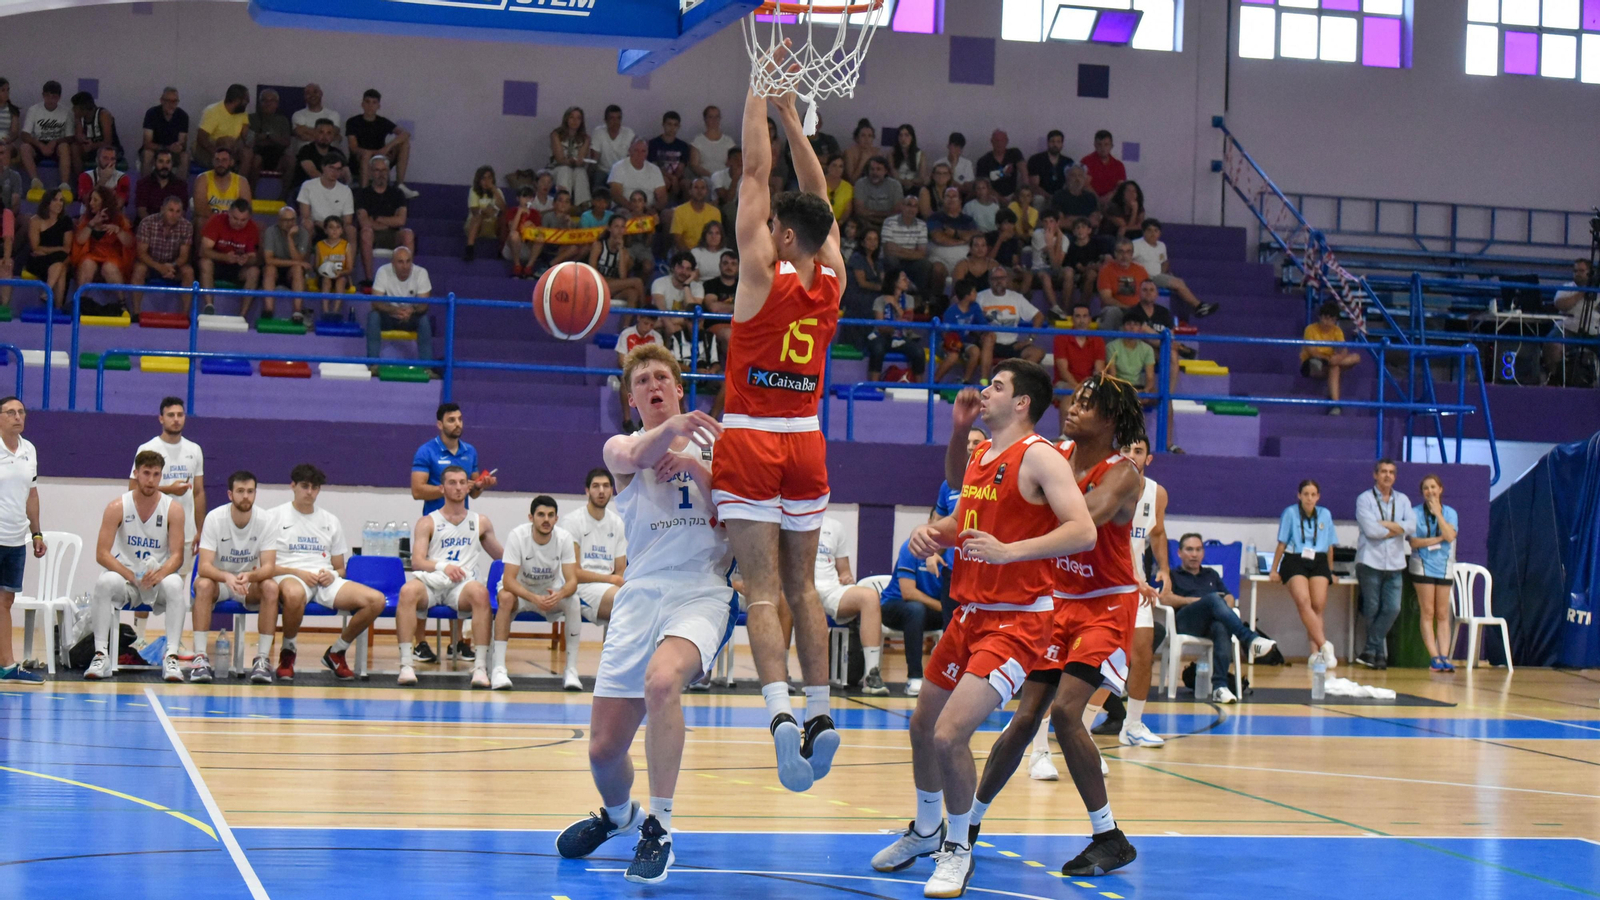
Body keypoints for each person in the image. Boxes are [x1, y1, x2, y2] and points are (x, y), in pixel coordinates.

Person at [872, 366, 1099, 893]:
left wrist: (1011, 552)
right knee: (921, 728)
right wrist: (936, 533)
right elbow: (965, 516)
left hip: (1019, 620)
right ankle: (928, 830)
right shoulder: (981, 455)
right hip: (969, 614)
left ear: (1022, 403)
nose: (986, 390)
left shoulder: (1041, 455)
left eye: (997, 386)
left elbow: (1083, 529)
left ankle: (957, 848)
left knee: (950, 735)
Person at [555, 343, 732, 885]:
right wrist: (672, 430)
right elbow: (634, 460)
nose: (653, 385)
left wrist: (699, 470)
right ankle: (619, 816)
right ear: (632, 400)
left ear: (679, 387)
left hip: (700, 591)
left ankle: (660, 826)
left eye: (662, 377)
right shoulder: (621, 447)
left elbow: (736, 521)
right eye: (642, 381)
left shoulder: (722, 448)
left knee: (662, 683)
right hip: (640, 595)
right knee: (604, 751)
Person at [712, 83, 845, 793]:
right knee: (806, 586)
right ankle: (822, 712)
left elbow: (754, 177)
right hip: (806, 439)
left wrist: (756, 99)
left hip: (752, 439)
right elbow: (814, 195)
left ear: (781, 236)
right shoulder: (831, 282)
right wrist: (797, 123)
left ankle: (781, 716)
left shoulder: (760, 274)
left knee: (761, 591)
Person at [261, 464, 386, 680]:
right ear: (293, 486)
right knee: (293, 594)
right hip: (290, 575)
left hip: (324, 579)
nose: (310, 492)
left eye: (314, 487)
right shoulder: (274, 517)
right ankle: (288, 652)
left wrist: (334, 575)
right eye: (305, 486)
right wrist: (298, 573)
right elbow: (267, 565)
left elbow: (340, 567)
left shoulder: (330, 520)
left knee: (376, 600)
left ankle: (337, 651)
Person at [85, 450, 187, 681]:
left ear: (161, 476)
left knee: (175, 583)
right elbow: (102, 553)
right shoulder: (117, 506)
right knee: (104, 582)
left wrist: (159, 574)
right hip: (127, 578)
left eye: (156, 474)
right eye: (146, 473)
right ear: (136, 473)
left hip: (156, 579)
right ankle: (101, 654)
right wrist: (130, 575)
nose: (151, 480)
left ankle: (171, 657)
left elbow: (177, 555)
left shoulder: (173, 509)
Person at [398, 467, 501, 688]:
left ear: (468, 486)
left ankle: (480, 667)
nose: (458, 487)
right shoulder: (428, 521)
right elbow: (417, 561)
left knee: (480, 593)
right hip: (433, 581)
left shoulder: (480, 521)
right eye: (452, 482)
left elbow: (501, 557)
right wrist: (444, 566)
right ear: (442, 488)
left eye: (463, 482)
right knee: (407, 591)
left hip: (461, 585)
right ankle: (406, 664)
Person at [410, 403, 496, 659]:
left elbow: (472, 491)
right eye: (451, 420)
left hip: (462, 523)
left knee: (461, 573)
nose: (457, 424)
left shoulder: (470, 451)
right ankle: (421, 642)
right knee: (427, 579)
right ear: (440, 424)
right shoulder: (426, 451)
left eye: (459, 419)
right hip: (435, 523)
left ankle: (457, 642)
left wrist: (480, 485)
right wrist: (447, 488)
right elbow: (417, 490)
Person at [192, 471, 281, 684]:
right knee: (203, 585)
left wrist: (250, 575)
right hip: (220, 582)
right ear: (230, 494)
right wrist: (226, 577)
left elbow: (269, 567)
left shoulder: (266, 520)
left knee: (270, 587)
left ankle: (262, 660)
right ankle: (200, 658)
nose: (246, 497)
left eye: (250, 491)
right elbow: (204, 567)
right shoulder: (215, 518)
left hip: (248, 584)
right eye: (240, 491)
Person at [1167, 533, 1278, 702]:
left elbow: (1229, 597)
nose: (1194, 554)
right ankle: (1248, 638)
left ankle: (1220, 687)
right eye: (1189, 549)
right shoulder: (1172, 575)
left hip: (1210, 622)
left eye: (1198, 549)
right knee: (1212, 599)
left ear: (1203, 553)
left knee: (1221, 626)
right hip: (1186, 621)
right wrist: (1195, 601)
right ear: (1179, 553)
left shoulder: (1211, 574)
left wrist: (1224, 602)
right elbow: (1164, 598)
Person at [492, 495, 579, 690]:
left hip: (550, 594)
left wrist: (561, 594)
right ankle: (498, 668)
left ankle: (571, 670)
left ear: (556, 519)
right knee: (505, 597)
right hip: (522, 593)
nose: (546, 519)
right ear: (531, 517)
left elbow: (572, 581)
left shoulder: (564, 538)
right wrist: (533, 598)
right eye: (541, 515)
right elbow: (508, 580)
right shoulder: (517, 536)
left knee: (573, 601)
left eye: (550, 515)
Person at [559, 468, 628, 689]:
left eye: (606, 486)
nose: (601, 491)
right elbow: (574, 572)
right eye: (596, 486)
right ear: (587, 490)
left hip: (608, 587)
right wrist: (610, 581)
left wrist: (614, 581)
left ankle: (614, 670)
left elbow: (621, 569)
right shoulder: (573, 521)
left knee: (633, 599)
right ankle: (574, 670)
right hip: (580, 586)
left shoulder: (617, 523)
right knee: (623, 601)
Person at [0, 397, 45, 685]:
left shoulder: (29, 450)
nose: (18, 416)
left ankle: (7, 664)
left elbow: (32, 494)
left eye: (21, 412)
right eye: (10, 412)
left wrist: (36, 532)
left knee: (5, 601)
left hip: (16, 539)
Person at [1269, 478, 1338, 666]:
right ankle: (1325, 645)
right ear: (1299, 495)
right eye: (1305, 494)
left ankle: (1315, 654)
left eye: (1313, 494)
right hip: (1295, 559)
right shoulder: (1290, 513)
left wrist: (1330, 571)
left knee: (1318, 605)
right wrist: (1274, 569)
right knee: (1303, 601)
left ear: (1318, 497)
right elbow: (1282, 543)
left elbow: (1330, 546)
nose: (1309, 498)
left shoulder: (1325, 514)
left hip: (1319, 560)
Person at [817, 517, 888, 694]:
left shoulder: (835, 526)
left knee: (869, 597)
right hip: (800, 588)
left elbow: (845, 571)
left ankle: (871, 676)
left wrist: (847, 578)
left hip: (831, 589)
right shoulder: (786, 520)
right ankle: (784, 676)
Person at [1354, 459, 1413, 670]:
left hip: (1395, 563)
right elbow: (1371, 531)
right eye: (1383, 472)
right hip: (1370, 561)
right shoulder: (1365, 499)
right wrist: (1398, 528)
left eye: (1391, 472)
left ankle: (1370, 649)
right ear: (1375, 475)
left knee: (1392, 608)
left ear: (1395, 476)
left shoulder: (1403, 500)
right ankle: (1378, 655)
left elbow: (1412, 526)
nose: (1387, 475)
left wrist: (1385, 525)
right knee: (1372, 608)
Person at [877, 535, 945, 697]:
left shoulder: (954, 553)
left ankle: (950, 677)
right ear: (930, 522)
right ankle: (914, 677)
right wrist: (942, 607)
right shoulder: (912, 547)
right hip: (895, 606)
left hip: (929, 610)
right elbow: (908, 593)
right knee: (915, 609)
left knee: (962, 615)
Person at [1409, 474, 1459, 672]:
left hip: (1444, 565)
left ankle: (1445, 656)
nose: (1430, 491)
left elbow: (1450, 536)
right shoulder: (1414, 513)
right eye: (1426, 488)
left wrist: (1438, 514)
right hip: (1422, 564)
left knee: (1442, 613)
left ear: (1440, 489)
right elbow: (1414, 542)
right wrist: (1439, 539)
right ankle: (1434, 657)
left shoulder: (1450, 513)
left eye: (1433, 487)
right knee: (1428, 611)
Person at [1133, 219, 1217, 318]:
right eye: (1149, 230)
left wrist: (1164, 274)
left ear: (1159, 233)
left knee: (1179, 286)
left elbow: (1164, 262)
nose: (1153, 233)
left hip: (1158, 276)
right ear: (1143, 232)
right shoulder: (1136, 244)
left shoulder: (1161, 245)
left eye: (1156, 231)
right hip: (1145, 277)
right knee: (1178, 283)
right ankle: (1198, 306)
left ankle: (1191, 312)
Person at [367, 247, 433, 371]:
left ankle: (427, 368)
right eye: (400, 262)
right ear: (392, 263)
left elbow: (424, 304)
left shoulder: (421, 273)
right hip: (389, 316)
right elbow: (375, 302)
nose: (405, 266)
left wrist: (411, 310)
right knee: (373, 316)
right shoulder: (383, 271)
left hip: (411, 317)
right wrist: (394, 310)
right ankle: (373, 364)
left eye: (408, 261)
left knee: (424, 320)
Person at [130, 195, 195, 319]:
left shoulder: (186, 226)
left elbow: (184, 256)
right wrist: (159, 267)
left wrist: (172, 266)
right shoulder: (147, 223)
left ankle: (184, 315)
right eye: (171, 210)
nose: (174, 214)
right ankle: (136, 313)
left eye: (178, 211)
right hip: (151, 265)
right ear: (162, 209)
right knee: (139, 269)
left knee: (188, 271)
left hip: (174, 267)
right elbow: (141, 253)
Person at [977, 265, 1046, 374]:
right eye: (995, 279)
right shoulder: (980, 297)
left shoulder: (1016, 298)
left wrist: (1030, 339)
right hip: (990, 343)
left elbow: (1039, 316)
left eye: (1002, 278)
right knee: (989, 339)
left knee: (1038, 352)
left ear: (1007, 280)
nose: (999, 281)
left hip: (1012, 344)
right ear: (990, 281)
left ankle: (1015, 382)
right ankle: (984, 382)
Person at [354, 155, 414, 280]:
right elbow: (364, 222)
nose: (381, 174)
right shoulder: (363, 194)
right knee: (366, 232)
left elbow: (401, 220)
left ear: (388, 172)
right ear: (371, 172)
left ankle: (407, 277)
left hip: (392, 235)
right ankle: (369, 280)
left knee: (408, 234)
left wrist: (377, 218)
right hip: (372, 234)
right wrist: (389, 222)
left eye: (384, 170)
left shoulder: (398, 193)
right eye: (377, 170)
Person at [74, 187, 134, 310]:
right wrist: (92, 224)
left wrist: (118, 231)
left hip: (112, 257)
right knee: (87, 264)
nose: (91, 203)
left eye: (95, 200)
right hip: (92, 254)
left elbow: (130, 243)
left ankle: (123, 304)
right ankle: (79, 303)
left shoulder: (120, 219)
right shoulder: (86, 218)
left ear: (104, 202)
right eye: (90, 199)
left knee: (109, 267)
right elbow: (80, 240)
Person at [199, 198, 261, 315]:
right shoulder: (216, 220)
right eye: (235, 218)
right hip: (216, 263)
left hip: (237, 267)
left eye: (243, 220)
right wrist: (225, 257)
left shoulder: (252, 227)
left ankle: (242, 315)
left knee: (254, 271)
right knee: (205, 263)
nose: (238, 223)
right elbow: (204, 251)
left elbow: (253, 258)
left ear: (249, 218)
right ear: (228, 213)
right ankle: (209, 306)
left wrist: (246, 259)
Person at [347, 89, 413, 193]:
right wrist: (374, 152)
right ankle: (364, 192)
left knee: (404, 144)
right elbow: (353, 148)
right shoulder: (353, 122)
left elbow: (405, 134)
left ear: (379, 106)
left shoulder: (382, 121)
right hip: (360, 159)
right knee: (366, 154)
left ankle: (400, 184)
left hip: (381, 158)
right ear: (362, 104)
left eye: (374, 103)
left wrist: (387, 148)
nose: (370, 106)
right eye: (367, 102)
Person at [1301, 301, 1361, 414]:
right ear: (1320, 317)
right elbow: (1312, 351)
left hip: (1330, 363)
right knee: (1331, 366)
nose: (1327, 323)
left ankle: (1336, 406)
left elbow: (1344, 349)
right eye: (1325, 318)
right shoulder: (1310, 329)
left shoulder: (1337, 331)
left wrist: (1338, 358)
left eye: (1331, 320)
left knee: (1355, 357)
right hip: (1312, 363)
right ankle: (1336, 404)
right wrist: (1329, 359)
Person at [867, 269, 925, 382]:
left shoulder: (909, 299)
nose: (907, 281)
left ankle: (920, 387)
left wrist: (895, 305)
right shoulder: (880, 300)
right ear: (894, 282)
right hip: (882, 336)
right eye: (904, 279)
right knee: (877, 349)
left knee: (918, 352)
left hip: (901, 336)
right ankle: (873, 385)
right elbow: (881, 326)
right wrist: (897, 323)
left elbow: (908, 322)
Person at [261, 205, 313, 321]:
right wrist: (295, 263)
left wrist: (290, 238)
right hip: (276, 270)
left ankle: (297, 311)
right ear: (279, 221)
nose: (290, 223)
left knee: (297, 269)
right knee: (270, 268)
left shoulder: (303, 233)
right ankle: (268, 310)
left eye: (292, 220)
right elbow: (268, 259)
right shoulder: (271, 231)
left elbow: (299, 260)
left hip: (292, 273)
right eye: (286, 220)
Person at [18, 81, 73, 190]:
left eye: (54, 97)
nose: (51, 100)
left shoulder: (67, 112)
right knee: (24, 147)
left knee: (64, 147)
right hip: (38, 144)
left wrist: (55, 142)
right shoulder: (34, 110)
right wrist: (40, 145)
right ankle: (36, 181)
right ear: (43, 95)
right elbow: (24, 134)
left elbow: (70, 137)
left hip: (57, 144)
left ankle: (64, 184)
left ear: (59, 97)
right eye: (48, 96)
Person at [24, 189, 72, 310]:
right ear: (47, 203)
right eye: (55, 200)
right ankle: (58, 308)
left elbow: (67, 249)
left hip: (56, 258)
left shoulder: (66, 221)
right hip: (38, 260)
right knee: (61, 263)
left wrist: (45, 250)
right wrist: (58, 249)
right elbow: (35, 248)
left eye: (61, 200)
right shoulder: (35, 221)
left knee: (61, 264)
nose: (59, 203)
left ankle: (48, 291)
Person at [196, 84, 254, 180]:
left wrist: (250, 139)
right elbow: (201, 138)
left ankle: (239, 185)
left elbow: (245, 137)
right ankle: (224, 181)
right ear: (236, 100)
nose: (248, 103)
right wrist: (218, 154)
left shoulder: (242, 113)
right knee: (226, 141)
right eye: (246, 100)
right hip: (208, 150)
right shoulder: (212, 111)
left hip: (233, 150)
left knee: (247, 152)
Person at [881, 193, 934, 298]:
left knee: (925, 264)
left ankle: (918, 297)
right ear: (902, 206)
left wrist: (898, 249)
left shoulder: (922, 225)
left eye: (915, 206)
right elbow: (888, 249)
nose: (912, 209)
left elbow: (922, 253)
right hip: (892, 260)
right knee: (891, 259)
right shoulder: (889, 222)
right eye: (909, 205)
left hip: (910, 262)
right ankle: (893, 294)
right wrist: (912, 252)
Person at [927, 186, 980, 287]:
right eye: (948, 196)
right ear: (943, 200)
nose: (951, 199)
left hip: (964, 260)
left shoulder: (968, 220)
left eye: (954, 196)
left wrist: (955, 233)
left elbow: (975, 236)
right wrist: (962, 240)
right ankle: (937, 300)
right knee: (937, 269)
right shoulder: (935, 217)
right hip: (940, 258)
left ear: (960, 200)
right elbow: (938, 238)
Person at [297, 151, 355, 241]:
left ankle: (350, 255)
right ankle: (304, 255)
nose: (334, 172)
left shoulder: (346, 191)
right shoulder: (308, 186)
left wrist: (333, 226)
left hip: (337, 227)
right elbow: (305, 216)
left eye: (338, 169)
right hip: (315, 225)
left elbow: (347, 221)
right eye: (331, 168)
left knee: (351, 230)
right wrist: (321, 224)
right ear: (323, 167)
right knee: (307, 224)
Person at [193, 145, 252, 235]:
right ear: (213, 162)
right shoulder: (203, 178)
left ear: (231, 162)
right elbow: (200, 209)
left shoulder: (241, 181)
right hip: (211, 220)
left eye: (224, 160)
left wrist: (231, 221)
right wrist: (221, 222)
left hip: (234, 221)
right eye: (217, 160)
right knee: (200, 221)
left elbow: (246, 208)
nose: (220, 163)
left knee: (258, 226)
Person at [936, 280, 987, 384]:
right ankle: (935, 382)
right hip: (946, 343)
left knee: (975, 351)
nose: (976, 294)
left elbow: (983, 324)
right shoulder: (951, 312)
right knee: (953, 356)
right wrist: (953, 344)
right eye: (974, 291)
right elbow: (945, 333)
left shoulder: (975, 307)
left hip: (963, 342)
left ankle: (965, 381)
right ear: (966, 295)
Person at [590, 214, 645, 308]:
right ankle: (646, 312)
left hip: (614, 288)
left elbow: (622, 276)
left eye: (622, 227)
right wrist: (607, 280)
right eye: (616, 226)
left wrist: (620, 250)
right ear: (609, 228)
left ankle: (627, 323)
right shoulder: (599, 246)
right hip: (597, 285)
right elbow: (591, 271)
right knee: (637, 281)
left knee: (633, 294)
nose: (619, 230)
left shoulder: (625, 252)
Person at [1054, 299, 1106, 396]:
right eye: (1078, 316)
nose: (1082, 321)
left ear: (1090, 319)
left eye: (1085, 316)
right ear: (1072, 319)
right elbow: (1063, 372)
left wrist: (1089, 387)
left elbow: (1098, 370)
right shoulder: (1061, 339)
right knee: (1069, 393)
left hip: (1088, 385)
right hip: (1066, 384)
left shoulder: (1098, 340)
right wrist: (1080, 389)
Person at [1097, 239, 1149, 330]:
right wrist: (1127, 308)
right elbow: (1106, 298)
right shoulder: (1106, 270)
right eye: (1121, 252)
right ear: (1115, 253)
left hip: (1136, 311)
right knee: (1112, 311)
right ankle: (1108, 344)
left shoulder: (1141, 270)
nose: (1124, 255)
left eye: (1128, 252)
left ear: (1132, 254)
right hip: (1116, 310)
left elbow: (1147, 294)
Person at [652, 252, 705, 338]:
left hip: (684, 326)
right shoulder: (659, 282)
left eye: (688, 269)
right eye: (681, 267)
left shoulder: (697, 287)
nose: (684, 272)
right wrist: (671, 327)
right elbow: (661, 309)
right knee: (675, 329)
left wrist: (686, 285)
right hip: (662, 322)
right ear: (673, 268)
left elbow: (692, 311)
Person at [549, 105, 592, 208]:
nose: (575, 121)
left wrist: (579, 162)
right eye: (572, 117)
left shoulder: (585, 138)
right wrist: (571, 161)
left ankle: (583, 206)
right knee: (565, 170)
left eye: (578, 118)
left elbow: (581, 158)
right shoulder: (556, 134)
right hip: (557, 169)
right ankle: (564, 204)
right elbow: (559, 159)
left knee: (580, 171)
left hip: (575, 169)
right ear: (566, 118)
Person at [140, 87, 189, 176]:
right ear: (162, 101)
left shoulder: (183, 116)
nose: (172, 105)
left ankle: (180, 188)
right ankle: (145, 186)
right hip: (155, 150)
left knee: (185, 157)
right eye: (168, 101)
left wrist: (179, 147)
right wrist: (166, 148)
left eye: (175, 101)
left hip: (173, 153)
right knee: (147, 154)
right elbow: (147, 143)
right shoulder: (152, 113)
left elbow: (183, 143)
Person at [463, 165, 506, 262]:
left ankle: (501, 250)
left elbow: (504, 209)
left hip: (492, 224)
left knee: (504, 219)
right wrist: (486, 212)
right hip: (476, 224)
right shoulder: (474, 191)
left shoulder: (497, 192)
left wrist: (493, 190)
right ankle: (469, 249)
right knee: (477, 217)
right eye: (483, 178)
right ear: (479, 180)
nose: (486, 181)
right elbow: (474, 211)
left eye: (489, 178)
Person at [609, 139, 667, 210]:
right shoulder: (618, 167)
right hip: (624, 208)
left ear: (647, 153)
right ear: (630, 151)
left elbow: (662, 197)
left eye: (643, 151)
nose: (640, 154)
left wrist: (653, 210)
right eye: (636, 150)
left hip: (649, 209)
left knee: (668, 215)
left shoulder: (655, 169)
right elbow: (616, 194)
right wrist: (634, 209)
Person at [647, 110, 692, 202]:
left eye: (675, 125)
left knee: (688, 184)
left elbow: (681, 167)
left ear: (679, 127)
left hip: (678, 178)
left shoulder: (683, 146)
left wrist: (675, 178)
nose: (672, 128)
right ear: (663, 125)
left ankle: (687, 210)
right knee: (664, 181)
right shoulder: (653, 143)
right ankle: (660, 208)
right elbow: (655, 167)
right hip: (659, 176)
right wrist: (672, 178)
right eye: (669, 124)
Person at [134, 149, 189, 223]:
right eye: (161, 161)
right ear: (154, 163)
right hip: (148, 224)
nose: (164, 166)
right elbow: (141, 211)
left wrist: (168, 225)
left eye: (168, 162)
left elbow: (182, 212)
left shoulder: (181, 185)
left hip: (173, 224)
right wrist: (157, 226)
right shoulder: (143, 183)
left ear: (172, 164)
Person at [248, 89, 291, 182]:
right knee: (256, 160)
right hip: (257, 152)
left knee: (291, 162)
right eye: (264, 100)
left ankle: (283, 195)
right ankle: (251, 193)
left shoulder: (283, 120)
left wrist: (268, 136)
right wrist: (271, 137)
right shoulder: (251, 118)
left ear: (277, 103)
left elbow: (286, 142)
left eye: (272, 100)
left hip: (278, 153)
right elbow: (250, 140)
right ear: (260, 103)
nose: (268, 103)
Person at [289, 83, 342, 158]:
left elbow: (334, 132)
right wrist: (326, 137)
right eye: (308, 93)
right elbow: (300, 133)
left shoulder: (333, 114)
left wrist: (306, 130)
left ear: (321, 94)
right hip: (304, 156)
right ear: (304, 96)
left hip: (330, 157)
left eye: (315, 92)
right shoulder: (298, 115)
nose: (312, 95)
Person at [670, 177, 721, 252]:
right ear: (690, 191)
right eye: (696, 187)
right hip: (686, 253)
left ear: (706, 191)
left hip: (708, 252)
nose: (699, 191)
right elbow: (678, 239)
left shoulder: (715, 212)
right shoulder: (679, 211)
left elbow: (717, 237)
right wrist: (691, 256)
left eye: (703, 188)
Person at [852, 156, 904, 230]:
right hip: (866, 225)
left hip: (890, 225)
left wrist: (871, 214)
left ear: (885, 171)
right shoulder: (860, 184)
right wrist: (884, 214)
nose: (875, 172)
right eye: (872, 169)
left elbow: (897, 211)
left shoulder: (895, 185)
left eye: (878, 169)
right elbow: (859, 211)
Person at [975, 129, 1025, 200]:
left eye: (1002, 140)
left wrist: (1024, 192)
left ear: (1007, 141)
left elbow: (1024, 173)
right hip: (992, 197)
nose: (999, 143)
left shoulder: (1015, 153)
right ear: (991, 142)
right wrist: (1004, 201)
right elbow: (985, 186)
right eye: (996, 141)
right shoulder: (983, 161)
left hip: (1013, 195)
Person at [313, 216, 351, 310]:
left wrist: (340, 273)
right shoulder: (319, 245)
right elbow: (316, 266)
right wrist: (323, 270)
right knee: (326, 281)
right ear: (325, 230)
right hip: (324, 277)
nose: (335, 230)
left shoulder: (346, 245)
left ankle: (335, 311)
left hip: (341, 275)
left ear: (342, 230)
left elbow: (349, 268)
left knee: (341, 281)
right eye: (331, 227)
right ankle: (325, 311)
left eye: (338, 227)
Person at [76, 145, 130, 210]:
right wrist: (103, 180)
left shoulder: (123, 178)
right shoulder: (85, 176)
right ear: (97, 160)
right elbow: (87, 201)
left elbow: (119, 204)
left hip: (113, 216)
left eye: (112, 159)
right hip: (89, 217)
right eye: (105, 158)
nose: (109, 162)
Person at [689, 104, 735, 177]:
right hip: (705, 179)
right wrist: (711, 176)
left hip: (724, 178)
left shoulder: (728, 141)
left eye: (717, 117)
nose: (714, 120)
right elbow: (694, 165)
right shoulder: (698, 141)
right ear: (705, 119)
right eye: (711, 117)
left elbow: (733, 163)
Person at [1081, 130, 1127, 201]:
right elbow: (1085, 184)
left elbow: (1120, 187)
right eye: (1099, 144)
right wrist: (1098, 200)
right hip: (1089, 201)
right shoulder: (1086, 161)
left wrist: (1107, 199)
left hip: (1111, 202)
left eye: (1106, 144)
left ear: (1111, 146)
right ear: (1095, 145)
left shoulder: (1118, 165)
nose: (1103, 148)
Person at [1027, 130, 1072, 198]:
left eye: (1058, 142)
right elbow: (1034, 186)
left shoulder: (1068, 162)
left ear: (1062, 144)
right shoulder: (1036, 159)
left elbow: (1070, 184)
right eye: (1052, 141)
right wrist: (1050, 197)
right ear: (1047, 143)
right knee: (1039, 198)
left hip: (1062, 197)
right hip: (1042, 196)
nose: (1055, 145)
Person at [891, 124, 929, 194]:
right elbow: (894, 176)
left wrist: (910, 182)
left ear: (912, 137)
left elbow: (922, 177)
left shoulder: (921, 154)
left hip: (914, 184)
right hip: (896, 185)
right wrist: (904, 182)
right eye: (900, 135)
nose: (903, 138)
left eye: (906, 135)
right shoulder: (891, 154)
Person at [843, 118, 878, 182]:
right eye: (863, 135)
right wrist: (863, 161)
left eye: (870, 136)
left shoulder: (877, 153)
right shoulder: (849, 153)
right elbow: (851, 180)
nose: (866, 139)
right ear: (857, 138)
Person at [824, 155, 853, 221]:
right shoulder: (819, 182)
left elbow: (847, 210)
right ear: (828, 167)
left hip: (839, 224)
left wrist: (839, 223)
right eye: (834, 165)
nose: (837, 169)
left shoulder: (847, 187)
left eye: (840, 166)